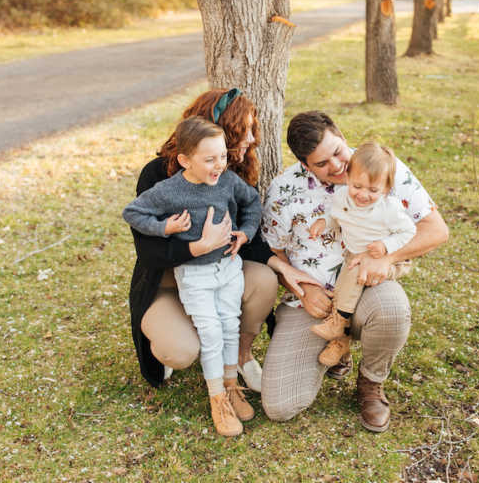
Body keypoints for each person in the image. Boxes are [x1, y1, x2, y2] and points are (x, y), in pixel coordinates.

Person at [260, 111, 449, 433]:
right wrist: (303, 290)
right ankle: (336, 347)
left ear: (342, 136)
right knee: (280, 406)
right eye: (321, 163)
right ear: (305, 166)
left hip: (367, 284)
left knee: (390, 310)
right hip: (311, 301)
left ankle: (371, 383)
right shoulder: (283, 191)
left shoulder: (383, 169)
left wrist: (388, 258)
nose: (336, 166)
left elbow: (436, 231)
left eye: (337, 152)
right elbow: (273, 253)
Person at [126, 88, 313, 402]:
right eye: (243, 132)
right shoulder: (158, 176)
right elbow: (148, 252)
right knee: (182, 351)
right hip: (169, 282)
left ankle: (239, 355)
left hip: (219, 273)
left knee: (264, 280)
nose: (251, 140)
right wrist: (195, 247)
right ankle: (179, 336)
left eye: (253, 131)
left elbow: (248, 233)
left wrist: (282, 267)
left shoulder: (232, 175)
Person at [124, 117, 260, 436]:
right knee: (210, 333)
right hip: (195, 274)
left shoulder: (227, 180)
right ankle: (217, 399)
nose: (219, 165)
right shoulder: (170, 191)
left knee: (229, 325)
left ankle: (230, 384)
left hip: (228, 269)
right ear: (185, 160)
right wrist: (165, 227)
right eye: (209, 159)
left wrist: (247, 233)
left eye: (223, 157)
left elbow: (252, 201)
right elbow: (133, 212)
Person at [306, 142, 416, 368]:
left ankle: (338, 327)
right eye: (357, 186)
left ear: (386, 189)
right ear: (347, 178)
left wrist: (386, 246)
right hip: (355, 254)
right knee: (343, 284)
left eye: (373, 190)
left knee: (353, 277)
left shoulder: (389, 209)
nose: (363, 195)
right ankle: (342, 341)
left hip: (388, 259)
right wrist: (323, 222)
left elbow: (409, 231)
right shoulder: (342, 197)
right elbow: (336, 216)